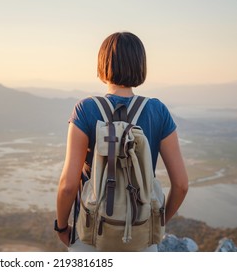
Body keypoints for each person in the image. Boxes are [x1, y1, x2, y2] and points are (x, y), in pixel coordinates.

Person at [55, 31, 189, 252]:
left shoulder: (85, 110)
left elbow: (68, 185)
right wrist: (156, 222)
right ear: (141, 65)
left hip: (90, 238)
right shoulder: (158, 111)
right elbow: (182, 185)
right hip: (140, 239)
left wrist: (61, 228)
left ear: (103, 64)